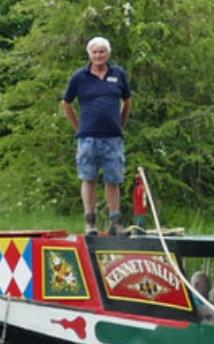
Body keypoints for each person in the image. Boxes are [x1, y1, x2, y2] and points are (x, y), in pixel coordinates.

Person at [61, 37, 132, 236]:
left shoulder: (118, 74)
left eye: (102, 51)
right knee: (88, 177)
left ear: (108, 54)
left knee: (113, 179)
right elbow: (66, 103)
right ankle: (90, 222)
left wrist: (120, 124)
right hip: (87, 138)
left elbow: (127, 101)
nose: (98, 55)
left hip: (112, 138)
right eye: (95, 52)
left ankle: (115, 222)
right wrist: (78, 127)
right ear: (89, 54)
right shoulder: (79, 76)